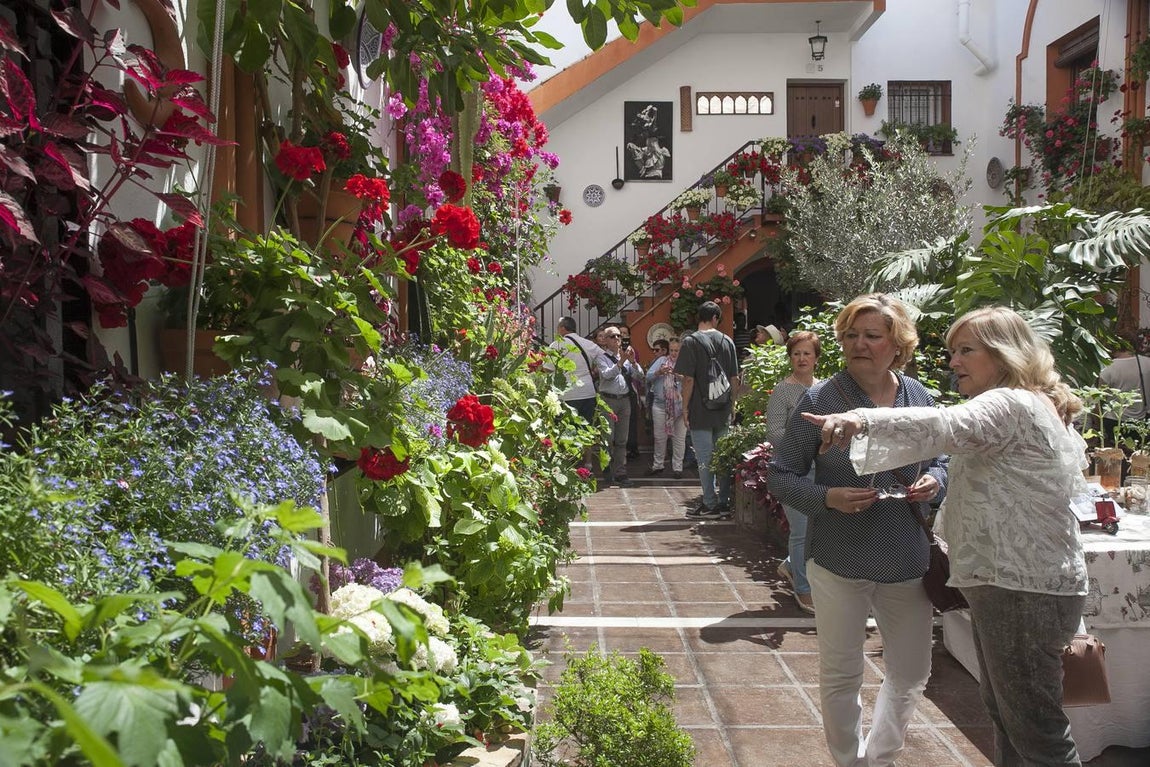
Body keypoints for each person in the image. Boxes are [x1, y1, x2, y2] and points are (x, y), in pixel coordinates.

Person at [807, 306, 1089, 767]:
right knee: (1009, 717)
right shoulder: (1028, 400)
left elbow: (943, 427)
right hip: (1015, 585)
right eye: (952, 351)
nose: (953, 361)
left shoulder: (1009, 403)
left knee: (1038, 734)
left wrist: (862, 420)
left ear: (1003, 354)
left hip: (1019, 589)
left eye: (966, 350)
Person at [766, 293, 947, 767]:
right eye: (850, 335)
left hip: (906, 557)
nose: (858, 344)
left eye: (871, 335)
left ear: (898, 344)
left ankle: (881, 757)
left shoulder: (918, 397)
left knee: (911, 672)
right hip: (839, 557)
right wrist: (827, 497)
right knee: (842, 673)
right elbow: (780, 475)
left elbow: (943, 458)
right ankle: (849, 760)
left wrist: (936, 481)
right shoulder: (820, 399)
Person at [765, 330, 822, 614]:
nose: (801, 358)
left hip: (821, 470)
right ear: (790, 357)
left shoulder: (824, 389)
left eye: (807, 353)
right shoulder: (782, 391)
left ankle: (790, 565)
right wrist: (803, 448)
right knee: (800, 531)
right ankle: (803, 588)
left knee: (817, 530)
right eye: (796, 353)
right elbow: (774, 432)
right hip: (792, 470)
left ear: (816, 358)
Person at [675, 301, 740, 519]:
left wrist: (685, 408)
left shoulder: (690, 342)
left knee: (704, 457)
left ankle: (709, 503)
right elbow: (734, 378)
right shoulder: (728, 341)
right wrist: (733, 404)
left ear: (700, 317)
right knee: (722, 456)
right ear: (715, 318)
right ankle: (724, 502)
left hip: (700, 408)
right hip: (723, 408)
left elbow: (688, 380)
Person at [597, 326, 642, 488]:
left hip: (624, 400)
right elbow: (607, 375)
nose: (617, 339)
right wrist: (621, 361)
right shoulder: (601, 358)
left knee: (622, 439)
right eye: (613, 336)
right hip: (608, 400)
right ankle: (607, 468)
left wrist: (633, 362)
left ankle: (620, 472)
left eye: (618, 336)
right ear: (605, 340)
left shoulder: (626, 358)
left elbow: (640, 376)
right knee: (608, 439)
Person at [551, 316, 604, 426]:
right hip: (588, 393)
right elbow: (605, 359)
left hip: (567, 394)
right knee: (586, 429)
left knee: (567, 429)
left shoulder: (556, 345)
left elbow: (547, 368)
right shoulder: (588, 344)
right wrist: (594, 370)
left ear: (562, 328)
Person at [646, 338, 686, 479]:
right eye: (672, 350)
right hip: (660, 405)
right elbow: (648, 377)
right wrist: (659, 372)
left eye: (677, 351)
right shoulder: (661, 360)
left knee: (679, 439)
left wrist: (677, 374)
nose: (674, 353)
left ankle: (678, 468)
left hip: (680, 407)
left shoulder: (685, 363)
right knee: (659, 438)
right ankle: (658, 465)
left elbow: (690, 380)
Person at [1098, 338, 1150, 441]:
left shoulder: (1107, 368)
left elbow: (1100, 398)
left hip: (1113, 419)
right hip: (1142, 419)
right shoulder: (1147, 362)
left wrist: (1098, 424)